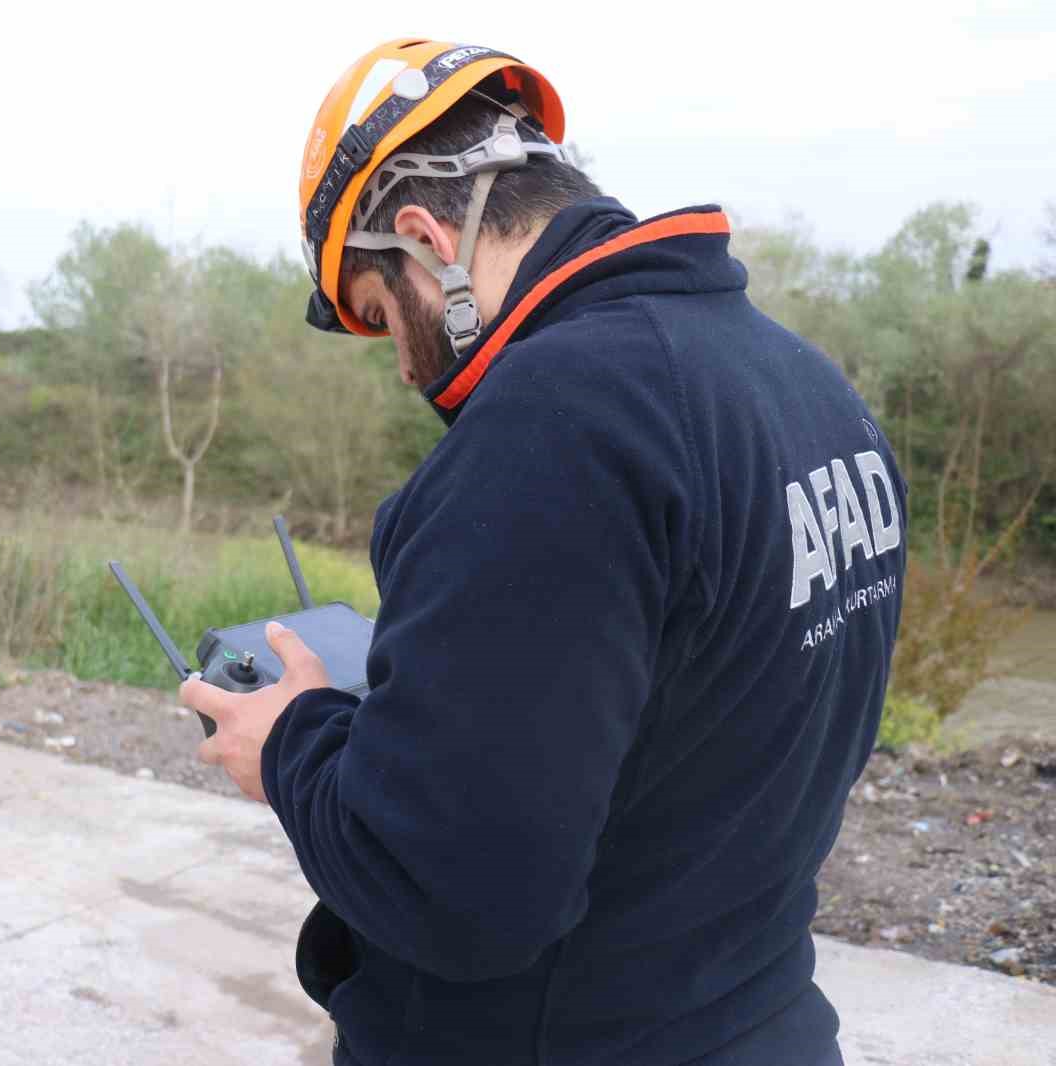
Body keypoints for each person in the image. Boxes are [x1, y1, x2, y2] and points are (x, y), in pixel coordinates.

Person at [178, 37, 907, 1066]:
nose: (399, 365)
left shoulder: (556, 425)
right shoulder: (805, 387)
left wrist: (290, 742)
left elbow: (457, 895)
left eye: (385, 316)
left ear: (429, 240)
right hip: (759, 1021)